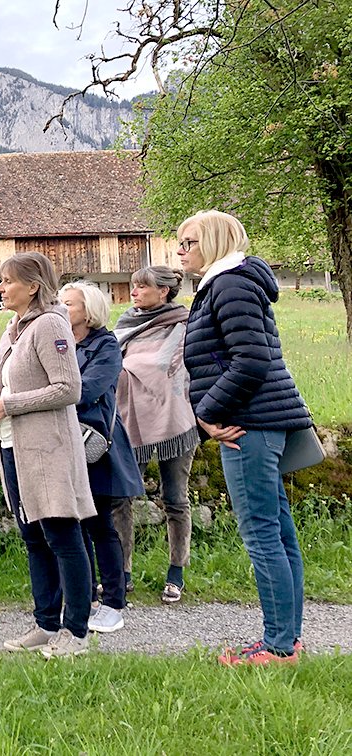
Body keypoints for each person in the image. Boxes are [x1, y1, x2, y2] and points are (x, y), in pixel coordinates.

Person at [177, 210, 312, 666]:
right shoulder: (226, 284)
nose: (181, 251)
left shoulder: (229, 284)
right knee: (278, 533)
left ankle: (277, 647)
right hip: (255, 421)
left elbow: (251, 360)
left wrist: (207, 413)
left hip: (246, 426)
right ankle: (287, 640)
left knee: (262, 535)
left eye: (189, 242)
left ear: (215, 242)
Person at [0, 253, 96, 658]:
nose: (0, 288)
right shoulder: (12, 330)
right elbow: (15, 389)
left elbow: (68, 389)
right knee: (34, 536)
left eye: (8, 281)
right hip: (13, 445)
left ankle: (76, 631)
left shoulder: (50, 325)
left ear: (33, 286)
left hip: (47, 448)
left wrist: (8, 405)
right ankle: (46, 624)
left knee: (61, 535)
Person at [59, 281, 144, 634]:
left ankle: (113, 602)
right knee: (74, 524)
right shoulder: (59, 342)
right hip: (63, 441)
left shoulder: (106, 345)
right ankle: (85, 597)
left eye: (70, 304)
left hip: (95, 444)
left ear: (89, 310)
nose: (62, 309)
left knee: (100, 525)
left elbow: (88, 389)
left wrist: (51, 394)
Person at [113, 266, 200, 604]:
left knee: (175, 498)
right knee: (121, 497)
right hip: (130, 420)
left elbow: (167, 365)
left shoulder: (184, 324)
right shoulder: (125, 323)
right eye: (133, 286)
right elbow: (111, 362)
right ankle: (122, 573)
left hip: (175, 420)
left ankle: (176, 572)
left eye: (142, 286)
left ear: (163, 291)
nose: (134, 292)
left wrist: (128, 368)